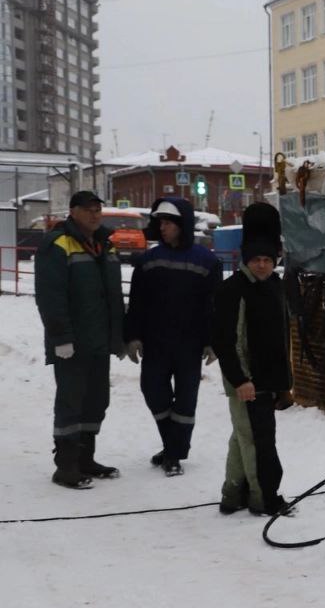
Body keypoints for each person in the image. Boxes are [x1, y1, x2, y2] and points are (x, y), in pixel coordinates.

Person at [34, 190, 127, 488]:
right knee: (71, 402)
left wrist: (120, 335)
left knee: (97, 400)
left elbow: (112, 296)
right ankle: (66, 466)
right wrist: (61, 337)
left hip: (99, 340)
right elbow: (50, 296)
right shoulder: (58, 244)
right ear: (72, 212)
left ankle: (86, 458)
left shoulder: (105, 245)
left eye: (98, 209)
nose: (94, 214)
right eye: (87, 209)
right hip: (72, 344)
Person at [124, 197, 223, 476]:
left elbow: (213, 305)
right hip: (156, 342)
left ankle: (174, 454)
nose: (163, 227)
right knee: (153, 391)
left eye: (168, 222)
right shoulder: (149, 260)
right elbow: (137, 301)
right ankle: (173, 446)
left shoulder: (207, 261)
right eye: (161, 223)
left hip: (190, 344)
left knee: (185, 400)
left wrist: (212, 340)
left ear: (183, 225)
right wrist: (132, 336)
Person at [211, 211, 292, 516]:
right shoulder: (233, 290)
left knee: (242, 437)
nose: (262, 264)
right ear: (246, 259)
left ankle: (233, 494)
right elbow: (224, 340)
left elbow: (280, 338)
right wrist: (240, 379)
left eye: (267, 259)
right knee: (258, 441)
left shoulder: (274, 286)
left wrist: (284, 385)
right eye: (256, 259)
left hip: (267, 380)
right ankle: (264, 499)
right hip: (247, 381)